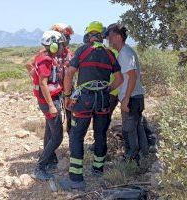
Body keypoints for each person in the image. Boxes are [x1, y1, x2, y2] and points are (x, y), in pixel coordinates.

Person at [60, 21, 123, 190]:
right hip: (103, 99)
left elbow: (69, 73)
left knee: (76, 136)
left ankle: (76, 179)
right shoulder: (110, 54)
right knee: (100, 133)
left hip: (84, 99)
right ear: (101, 36)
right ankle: (97, 169)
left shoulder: (82, 50)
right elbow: (120, 79)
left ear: (88, 35)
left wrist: (67, 95)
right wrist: (106, 90)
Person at [105, 23, 149, 163]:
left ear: (118, 37)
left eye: (110, 37)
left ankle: (131, 158)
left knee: (129, 130)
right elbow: (121, 79)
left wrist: (125, 99)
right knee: (137, 127)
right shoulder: (126, 52)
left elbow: (132, 76)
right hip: (135, 96)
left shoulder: (125, 53)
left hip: (132, 97)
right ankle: (143, 156)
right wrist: (108, 89)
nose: (108, 40)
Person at [30, 30, 66, 180]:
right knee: (57, 137)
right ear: (52, 45)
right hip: (49, 101)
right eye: (60, 44)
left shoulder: (47, 58)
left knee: (49, 133)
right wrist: (51, 105)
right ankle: (40, 167)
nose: (62, 47)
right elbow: (43, 83)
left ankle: (50, 160)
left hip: (51, 99)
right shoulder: (45, 60)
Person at [51, 23, 74, 134]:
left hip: (68, 89)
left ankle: (72, 144)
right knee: (54, 120)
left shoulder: (68, 52)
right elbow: (30, 64)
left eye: (69, 36)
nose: (69, 39)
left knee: (71, 116)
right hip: (56, 90)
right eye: (66, 36)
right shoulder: (50, 52)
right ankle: (50, 147)